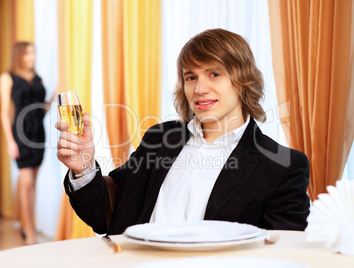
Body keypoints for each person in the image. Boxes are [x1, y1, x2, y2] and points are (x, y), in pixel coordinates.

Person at [56, 28, 310, 235]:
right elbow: (106, 214)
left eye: (214, 74)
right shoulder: (159, 138)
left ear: (243, 80)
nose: (200, 88)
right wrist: (84, 167)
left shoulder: (283, 166)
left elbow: (280, 253)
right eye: (191, 77)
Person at [0, 41, 55, 244]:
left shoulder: (37, 78)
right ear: (19, 55)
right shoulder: (7, 77)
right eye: (28, 54)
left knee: (34, 184)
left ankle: (27, 224)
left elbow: (41, 110)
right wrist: (9, 141)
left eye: (33, 53)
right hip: (20, 133)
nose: (32, 57)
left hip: (39, 133)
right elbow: (4, 112)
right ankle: (29, 231)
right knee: (26, 181)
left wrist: (54, 97)